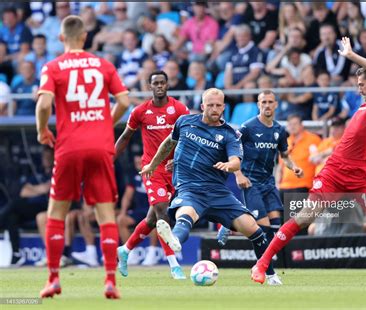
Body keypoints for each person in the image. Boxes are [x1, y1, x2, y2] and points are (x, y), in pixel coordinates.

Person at [251, 37, 366, 286]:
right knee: (305, 217)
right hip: (335, 171)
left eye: (362, 84)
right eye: (357, 84)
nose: (359, 88)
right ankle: (262, 264)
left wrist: (351, 55)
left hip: (362, 175)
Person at [140, 88, 282, 286]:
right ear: (202, 106)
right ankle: (176, 240)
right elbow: (168, 143)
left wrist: (229, 165)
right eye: (210, 105)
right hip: (190, 188)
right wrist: (153, 165)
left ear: (223, 107)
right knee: (186, 214)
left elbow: (235, 161)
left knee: (254, 229)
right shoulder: (185, 122)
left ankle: (270, 275)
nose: (215, 109)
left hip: (217, 192)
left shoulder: (229, 134)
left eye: (218, 105)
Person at [35, 15, 130, 299]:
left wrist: (42, 131)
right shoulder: (103, 64)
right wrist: (105, 124)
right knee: (105, 214)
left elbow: (43, 104)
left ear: (61, 38)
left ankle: (53, 278)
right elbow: (124, 100)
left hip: (69, 146)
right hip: (100, 146)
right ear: (85, 37)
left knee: (56, 213)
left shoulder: (53, 67)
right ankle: (110, 280)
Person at [114, 70, 189, 279]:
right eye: (155, 83)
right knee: (162, 214)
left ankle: (125, 250)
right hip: (152, 169)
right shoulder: (140, 111)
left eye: (162, 82)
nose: (159, 86)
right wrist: (109, 157)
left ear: (167, 85)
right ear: (150, 86)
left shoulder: (179, 109)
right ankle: (174, 265)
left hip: (174, 170)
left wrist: (180, 159)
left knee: (151, 219)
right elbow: (125, 137)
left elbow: (190, 136)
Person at [216, 90, 304, 246]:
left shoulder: (279, 130)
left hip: (269, 183)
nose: (267, 105)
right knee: (264, 228)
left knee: (276, 226)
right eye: (263, 102)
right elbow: (232, 149)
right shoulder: (248, 127)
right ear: (258, 105)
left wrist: (294, 167)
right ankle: (263, 265)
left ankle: (233, 225)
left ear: (276, 105)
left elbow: (284, 155)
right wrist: (238, 175)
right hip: (251, 182)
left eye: (270, 102)